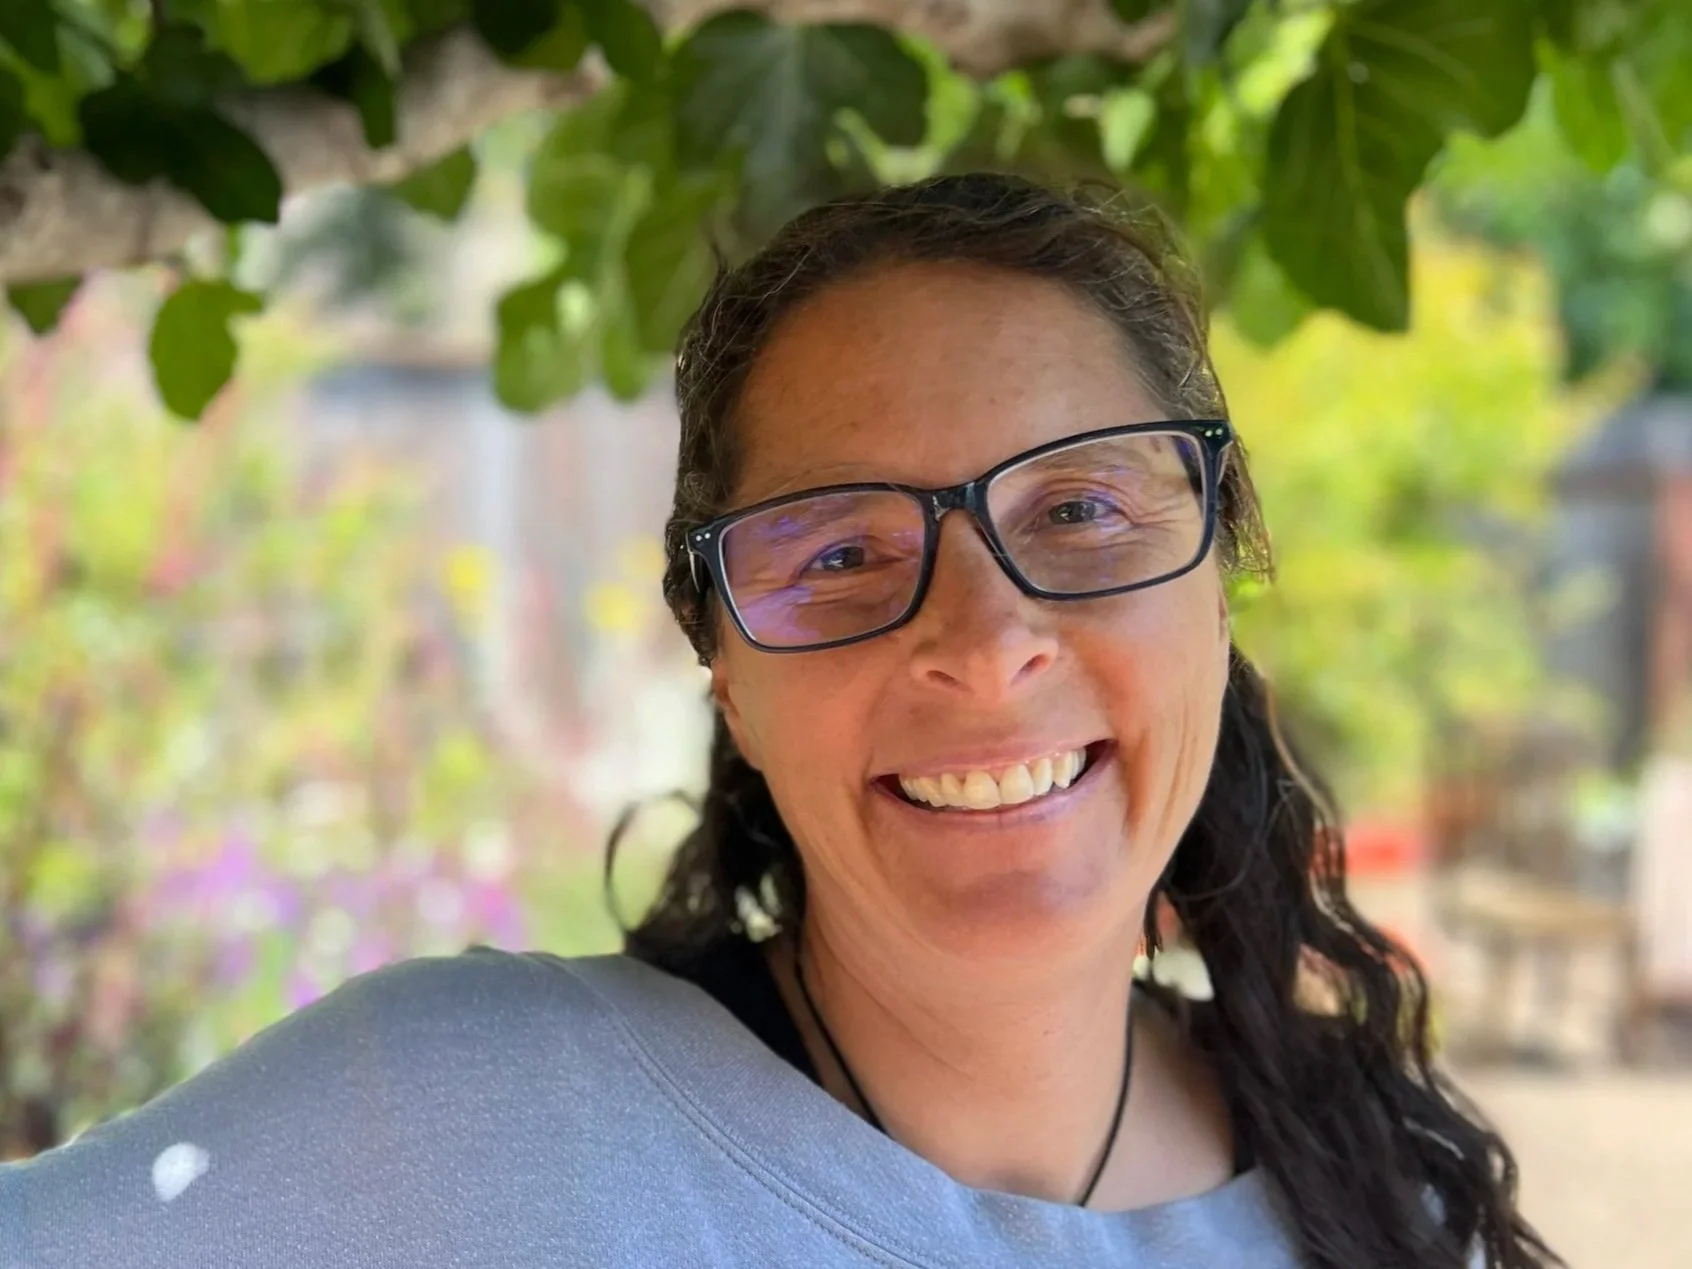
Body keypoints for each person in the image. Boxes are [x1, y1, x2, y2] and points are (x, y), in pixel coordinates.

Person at [0, 173, 1558, 1268]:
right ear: (722, 667)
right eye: (841, 551)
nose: (987, 639)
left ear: (1223, 571)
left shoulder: (1384, 1213)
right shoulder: (461, 1129)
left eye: (1081, 507)